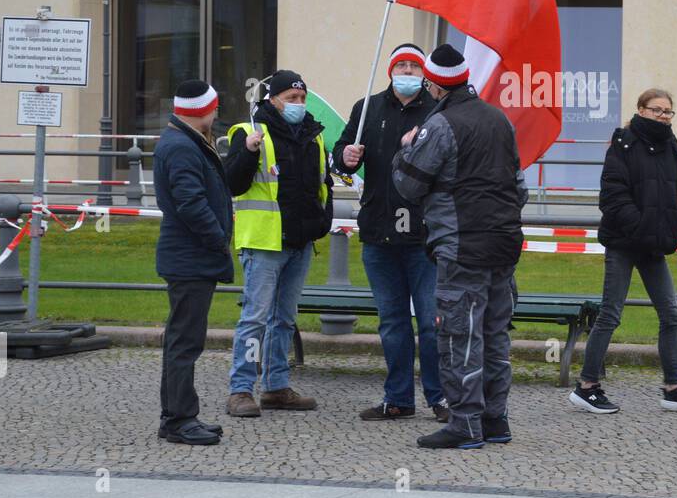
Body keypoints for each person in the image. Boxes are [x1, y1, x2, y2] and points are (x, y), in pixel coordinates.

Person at [391, 44, 526, 449]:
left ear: (433, 85)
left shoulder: (440, 126)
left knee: (458, 334)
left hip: (461, 246)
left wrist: (405, 149)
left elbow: (409, 185)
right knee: (495, 333)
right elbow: (518, 186)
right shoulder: (501, 120)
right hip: (504, 243)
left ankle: (464, 423)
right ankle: (494, 419)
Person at [570, 88, 677, 414]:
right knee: (610, 314)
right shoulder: (622, 144)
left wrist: (672, 225)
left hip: (654, 245)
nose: (663, 116)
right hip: (623, 243)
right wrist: (642, 227)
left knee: (670, 314)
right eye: (657, 110)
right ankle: (586, 386)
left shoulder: (671, 147)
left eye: (668, 111)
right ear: (641, 110)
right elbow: (612, 198)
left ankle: (673, 387)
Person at [333, 43, 447, 423]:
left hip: (423, 236)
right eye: (403, 66)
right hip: (378, 232)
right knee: (392, 322)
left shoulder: (435, 109)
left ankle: (440, 397)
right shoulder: (367, 107)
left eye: (416, 67)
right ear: (391, 71)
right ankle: (398, 398)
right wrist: (344, 156)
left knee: (431, 321)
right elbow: (342, 150)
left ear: (425, 73)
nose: (409, 73)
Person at [223, 69, 334, 418]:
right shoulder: (250, 133)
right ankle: (241, 389)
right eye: (291, 99)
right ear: (273, 100)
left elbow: (323, 185)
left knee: (284, 319)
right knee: (255, 318)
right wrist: (248, 153)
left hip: (299, 242)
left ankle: (275, 386)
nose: (298, 104)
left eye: (302, 98)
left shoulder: (313, 136)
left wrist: (322, 223)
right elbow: (233, 183)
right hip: (264, 242)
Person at [153, 80, 233, 446]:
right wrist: (218, 238)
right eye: (214, 108)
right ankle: (180, 419)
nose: (217, 114)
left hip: (188, 256)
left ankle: (176, 416)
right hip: (190, 258)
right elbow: (191, 203)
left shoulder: (183, 140)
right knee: (185, 342)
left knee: (181, 339)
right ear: (205, 109)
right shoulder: (183, 146)